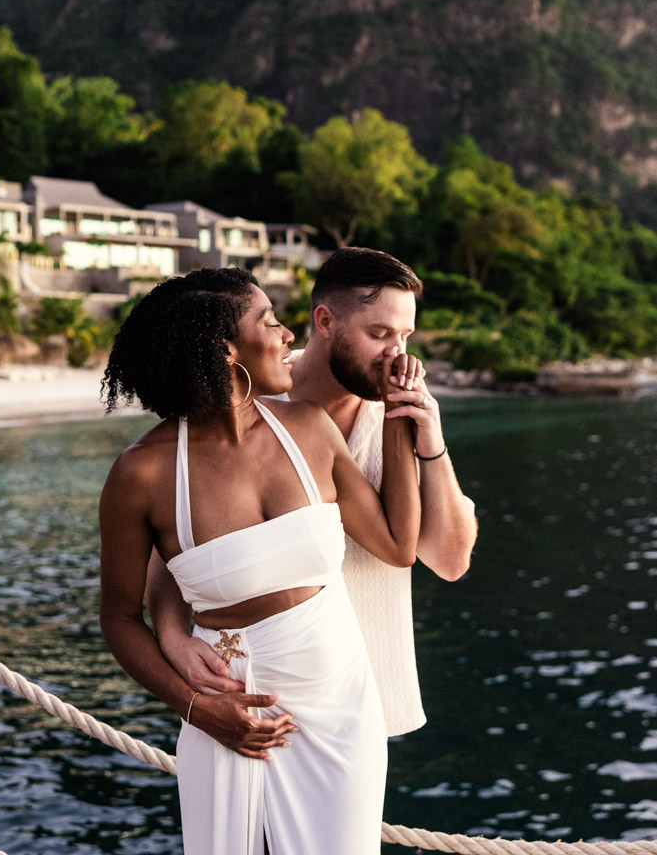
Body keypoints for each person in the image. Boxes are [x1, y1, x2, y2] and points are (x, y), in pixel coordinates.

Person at [98, 266, 424, 855]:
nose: (287, 336)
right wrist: (197, 709)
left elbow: (399, 544)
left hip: (340, 706)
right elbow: (119, 618)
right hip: (227, 706)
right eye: (270, 322)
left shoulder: (309, 428)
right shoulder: (141, 474)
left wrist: (400, 411)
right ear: (228, 349)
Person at [147, 247, 477, 747]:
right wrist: (173, 641)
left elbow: (449, 561)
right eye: (380, 334)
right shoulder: (239, 404)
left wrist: (431, 444)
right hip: (250, 698)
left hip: (364, 702)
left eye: (406, 336)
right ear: (324, 321)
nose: (398, 354)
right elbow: (172, 555)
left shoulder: (401, 418)